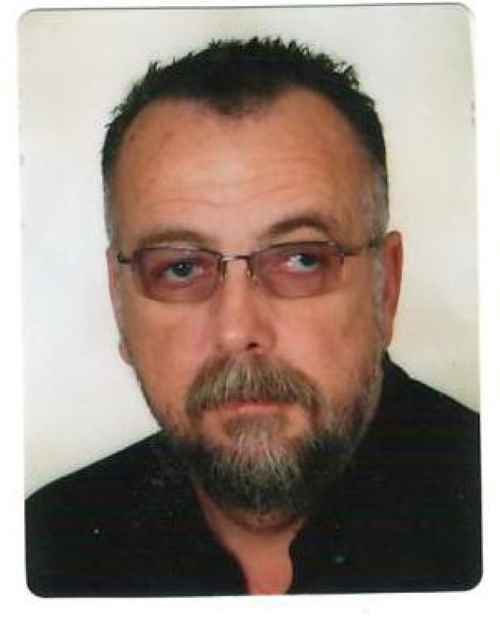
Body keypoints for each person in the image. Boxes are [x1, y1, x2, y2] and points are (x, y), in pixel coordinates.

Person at [25, 37, 481, 596]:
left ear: (386, 288)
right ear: (120, 304)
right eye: (181, 268)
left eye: (301, 259)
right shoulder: (45, 550)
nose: (237, 330)